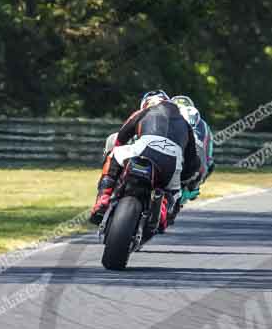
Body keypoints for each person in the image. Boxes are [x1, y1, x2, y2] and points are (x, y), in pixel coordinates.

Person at [89, 90, 201, 231]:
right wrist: (184, 179)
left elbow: (121, 137)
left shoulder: (143, 112)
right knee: (173, 191)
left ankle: (103, 199)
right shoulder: (185, 124)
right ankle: (163, 211)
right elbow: (192, 161)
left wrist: (114, 151)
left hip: (144, 150)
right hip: (171, 163)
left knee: (115, 153)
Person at [171, 95, 215, 204]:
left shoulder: (168, 116)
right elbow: (208, 155)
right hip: (196, 164)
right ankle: (193, 188)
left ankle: (191, 188)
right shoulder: (203, 124)